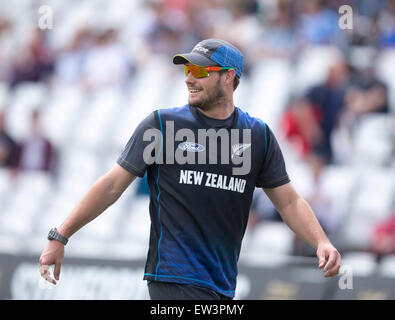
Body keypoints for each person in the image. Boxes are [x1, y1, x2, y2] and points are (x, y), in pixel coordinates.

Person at [39, 38, 341, 300]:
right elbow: (112, 185)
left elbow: (288, 201)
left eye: (198, 71)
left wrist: (321, 241)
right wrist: (60, 235)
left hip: (222, 285)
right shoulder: (161, 125)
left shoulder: (258, 135)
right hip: (173, 278)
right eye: (187, 70)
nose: (188, 78)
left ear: (228, 77)